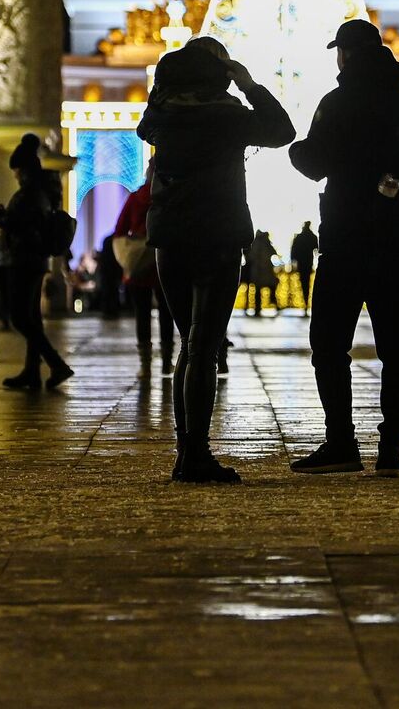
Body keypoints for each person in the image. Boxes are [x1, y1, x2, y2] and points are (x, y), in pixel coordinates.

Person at [137, 40, 293, 483]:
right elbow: (282, 131)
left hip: (169, 237)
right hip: (217, 234)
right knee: (202, 348)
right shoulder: (229, 117)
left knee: (189, 346)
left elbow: (145, 125)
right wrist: (248, 84)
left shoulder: (162, 117)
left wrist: (162, 87)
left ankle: (186, 452)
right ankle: (196, 456)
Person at [287, 19, 399, 478]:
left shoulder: (339, 102)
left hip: (347, 242)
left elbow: (314, 163)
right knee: (397, 350)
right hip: (396, 246)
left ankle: (341, 442)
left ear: (346, 55)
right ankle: (390, 448)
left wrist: (296, 150)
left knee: (329, 345)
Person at [0, 134, 74, 390]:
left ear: (23, 168)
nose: (15, 175)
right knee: (32, 318)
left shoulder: (30, 193)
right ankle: (31, 372)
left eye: (16, 170)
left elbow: (19, 224)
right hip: (35, 260)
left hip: (23, 260)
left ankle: (56, 364)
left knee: (20, 318)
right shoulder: (42, 191)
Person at [113, 177, 174, 378]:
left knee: (142, 314)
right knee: (168, 313)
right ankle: (167, 362)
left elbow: (120, 229)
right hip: (164, 261)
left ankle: (145, 365)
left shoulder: (136, 197)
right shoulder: (170, 196)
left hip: (139, 263)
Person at [244, 230, 279, 317]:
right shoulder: (266, 244)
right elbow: (274, 253)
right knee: (270, 288)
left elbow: (250, 257)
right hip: (265, 271)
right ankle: (273, 304)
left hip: (258, 272)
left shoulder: (254, 244)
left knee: (258, 291)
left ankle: (258, 309)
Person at [290, 222, 318, 315]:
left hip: (301, 264)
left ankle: (305, 304)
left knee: (303, 284)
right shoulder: (312, 236)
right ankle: (307, 304)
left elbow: (293, 251)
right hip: (308, 263)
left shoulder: (299, 237)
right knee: (307, 284)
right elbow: (317, 248)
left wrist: (293, 262)